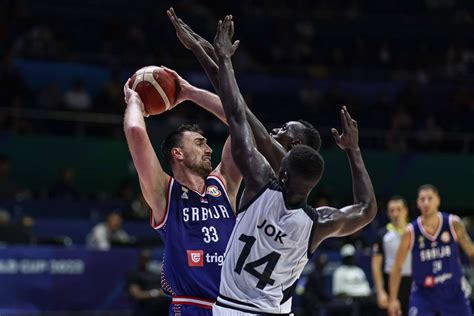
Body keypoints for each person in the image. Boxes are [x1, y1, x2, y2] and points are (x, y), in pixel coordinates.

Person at [211, 16, 377, 315]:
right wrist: (353, 151)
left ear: (287, 163)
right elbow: (366, 209)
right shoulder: (319, 222)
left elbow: (237, 114)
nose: (275, 133)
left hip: (231, 308)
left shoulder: (259, 181)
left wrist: (221, 59)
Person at [123, 68, 242, 315]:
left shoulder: (224, 184)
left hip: (235, 308)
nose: (209, 150)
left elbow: (239, 121)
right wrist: (134, 101)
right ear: (177, 153)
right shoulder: (164, 193)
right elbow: (135, 132)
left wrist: (190, 92)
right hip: (191, 307)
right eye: (200, 143)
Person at [166, 7, 321, 175]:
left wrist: (198, 48)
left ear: (295, 145)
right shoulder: (267, 169)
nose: (276, 129)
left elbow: (237, 108)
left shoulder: (284, 166)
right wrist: (202, 44)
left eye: (284, 129)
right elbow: (234, 97)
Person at [388, 184, 474, 316]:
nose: (426, 202)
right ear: (418, 203)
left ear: (438, 200)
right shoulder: (411, 231)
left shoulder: (453, 223)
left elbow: (471, 253)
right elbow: (397, 266)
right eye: (422, 199)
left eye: (430, 198)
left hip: (453, 290)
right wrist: (393, 299)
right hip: (423, 293)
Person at [372, 196, 411, 315]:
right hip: (390, 281)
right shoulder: (382, 234)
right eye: (392, 210)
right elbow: (376, 265)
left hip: (412, 282)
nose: (395, 213)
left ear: (406, 211)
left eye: (399, 209)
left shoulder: (414, 231)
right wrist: (380, 291)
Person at [127, 249, 170, 316]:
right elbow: (137, 295)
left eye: (149, 259)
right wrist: (156, 292)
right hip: (146, 309)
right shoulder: (135, 274)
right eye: (144, 259)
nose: (147, 261)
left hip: (164, 309)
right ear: (140, 259)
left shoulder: (159, 274)